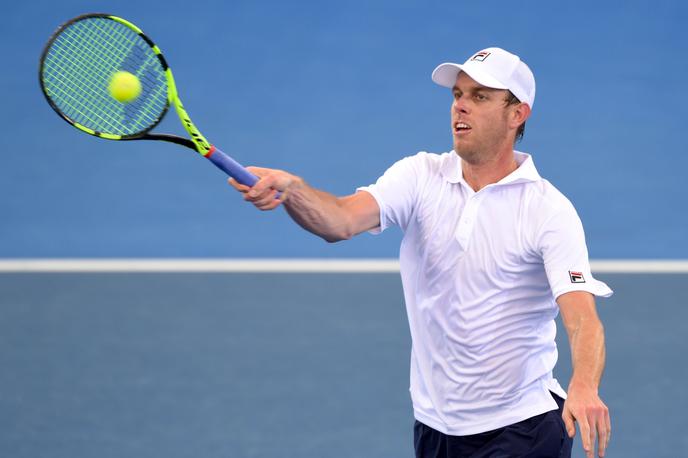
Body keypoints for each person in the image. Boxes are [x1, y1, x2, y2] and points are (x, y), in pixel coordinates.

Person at [230, 47, 612, 458]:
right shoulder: (419, 176)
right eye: (457, 95)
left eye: (480, 97)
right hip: (436, 429)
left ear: (517, 113)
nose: (461, 106)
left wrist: (585, 384)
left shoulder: (549, 211)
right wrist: (293, 190)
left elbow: (582, 319)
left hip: (522, 429)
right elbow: (339, 221)